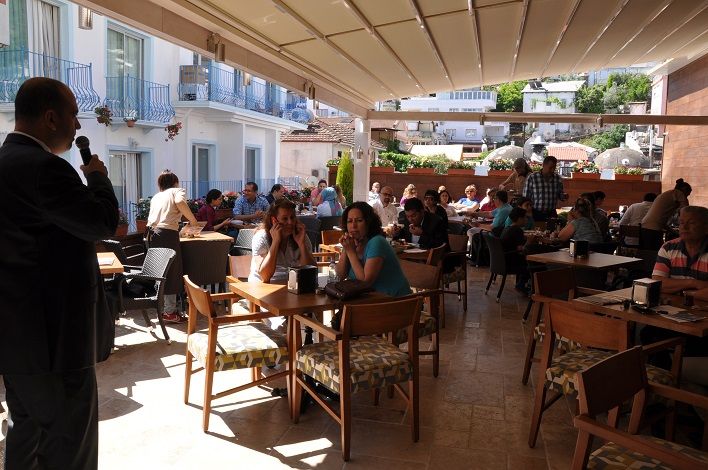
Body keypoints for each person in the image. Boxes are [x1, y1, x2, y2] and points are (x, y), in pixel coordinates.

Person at [0, 77, 119, 469]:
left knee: (26, 437)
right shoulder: (45, 169)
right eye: (73, 114)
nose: (78, 125)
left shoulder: (5, 163)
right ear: (51, 118)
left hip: (16, 341)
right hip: (56, 343)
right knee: (71, 451)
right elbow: (101, 222)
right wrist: (98, 177)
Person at [640, 206, 708, 384]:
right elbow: (658, 282)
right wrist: (692, 284)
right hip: (674, 315)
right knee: (649, 334)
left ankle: (683, 383)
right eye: (681, 222)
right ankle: (666, 381)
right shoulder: (669, 247)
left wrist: (678, 290)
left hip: (703, 320)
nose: (683, 227)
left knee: (697, 342)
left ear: (706, 227)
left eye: (691, 223)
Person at [147, 170, 199, 323]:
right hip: (167, 234)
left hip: (151, 234)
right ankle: (169, 312)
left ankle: (163, 309)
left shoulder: (157, 196)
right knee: (172, 271)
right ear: (175, 182)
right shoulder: (176, 191)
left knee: (161, 272)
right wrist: (193, 221)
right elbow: (180, 202)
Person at [335, 202, 411, 297]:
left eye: (359, 220)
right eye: (349, 221)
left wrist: (350, 252)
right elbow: (341, 276)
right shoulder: (351, 244)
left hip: (395, 301)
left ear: (369, 223)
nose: (353, 226)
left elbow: (365, 283)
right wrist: (346, 249)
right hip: (370, 300)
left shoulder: (377, 242)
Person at [249, 199, 316, 284]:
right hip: (263, 286)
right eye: (285, 218)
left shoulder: (300, 235)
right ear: (274, 220)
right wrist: (275, 242)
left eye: (292, 217)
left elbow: (310, 271)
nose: (290, 222)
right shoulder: (262, 237)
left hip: (291, 285)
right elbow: (265, 276)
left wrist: (301, 244)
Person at [641, 179, 692, 250]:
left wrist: (672, 231)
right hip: (653, 229)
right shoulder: (679, 193)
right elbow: (686, 211)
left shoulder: (668, 194)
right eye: (688, 193)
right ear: (684, 189)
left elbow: (659, 219)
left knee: (647, 252)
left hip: (645, 226)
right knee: (656, 252)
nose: (688, 195)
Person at [523, 156, 568, 221]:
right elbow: (525, 198)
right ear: (543, 165)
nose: (552, 170)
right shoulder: (532, 177)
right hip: (536, 213)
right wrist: (527, 213)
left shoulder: (557, 178)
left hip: (551, 213)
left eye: (554, 168)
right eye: (550, 168)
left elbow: (560, 194)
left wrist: (564, 196)